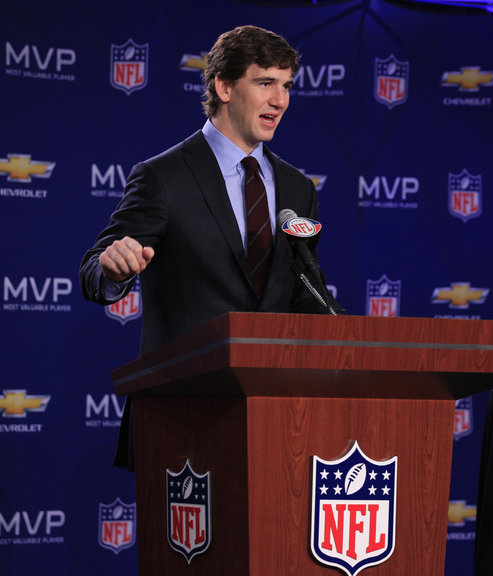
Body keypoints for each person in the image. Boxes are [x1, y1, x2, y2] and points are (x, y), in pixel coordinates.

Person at [80, 25, 344, 470]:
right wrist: (111, 270)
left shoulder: (297, 189)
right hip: (182, 416)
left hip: (274, 420)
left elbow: (304, 291)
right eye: (265, 83)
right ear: (223, 86)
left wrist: (349, 341)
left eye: (286, 86)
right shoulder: (163, 177)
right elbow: (94, 270)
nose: (280, 101)